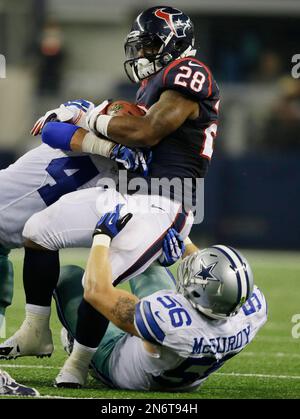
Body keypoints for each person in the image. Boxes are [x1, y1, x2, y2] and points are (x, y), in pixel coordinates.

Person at [0, 5, 219, 388]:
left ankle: (78, 364)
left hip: (163, 199)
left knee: (98, 282)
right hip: (126, 194)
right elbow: (51, 129)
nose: (141, 55)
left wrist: (92, 120)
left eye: (149, 45)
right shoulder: (136, 97)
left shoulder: (188, 73)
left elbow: (147, 131)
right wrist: (96, 128)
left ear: (172, 44)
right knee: (38, 229)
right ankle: (36, 329)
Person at [54, 207, 267, 391]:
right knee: (141, 260)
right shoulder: (249, 311)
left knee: (68, 277)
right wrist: (184, 240)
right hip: (178, 367)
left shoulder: (166, 320)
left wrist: (102, 237)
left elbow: (96, 290)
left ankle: (80, 353)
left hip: (127, 368)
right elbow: (212, 282)